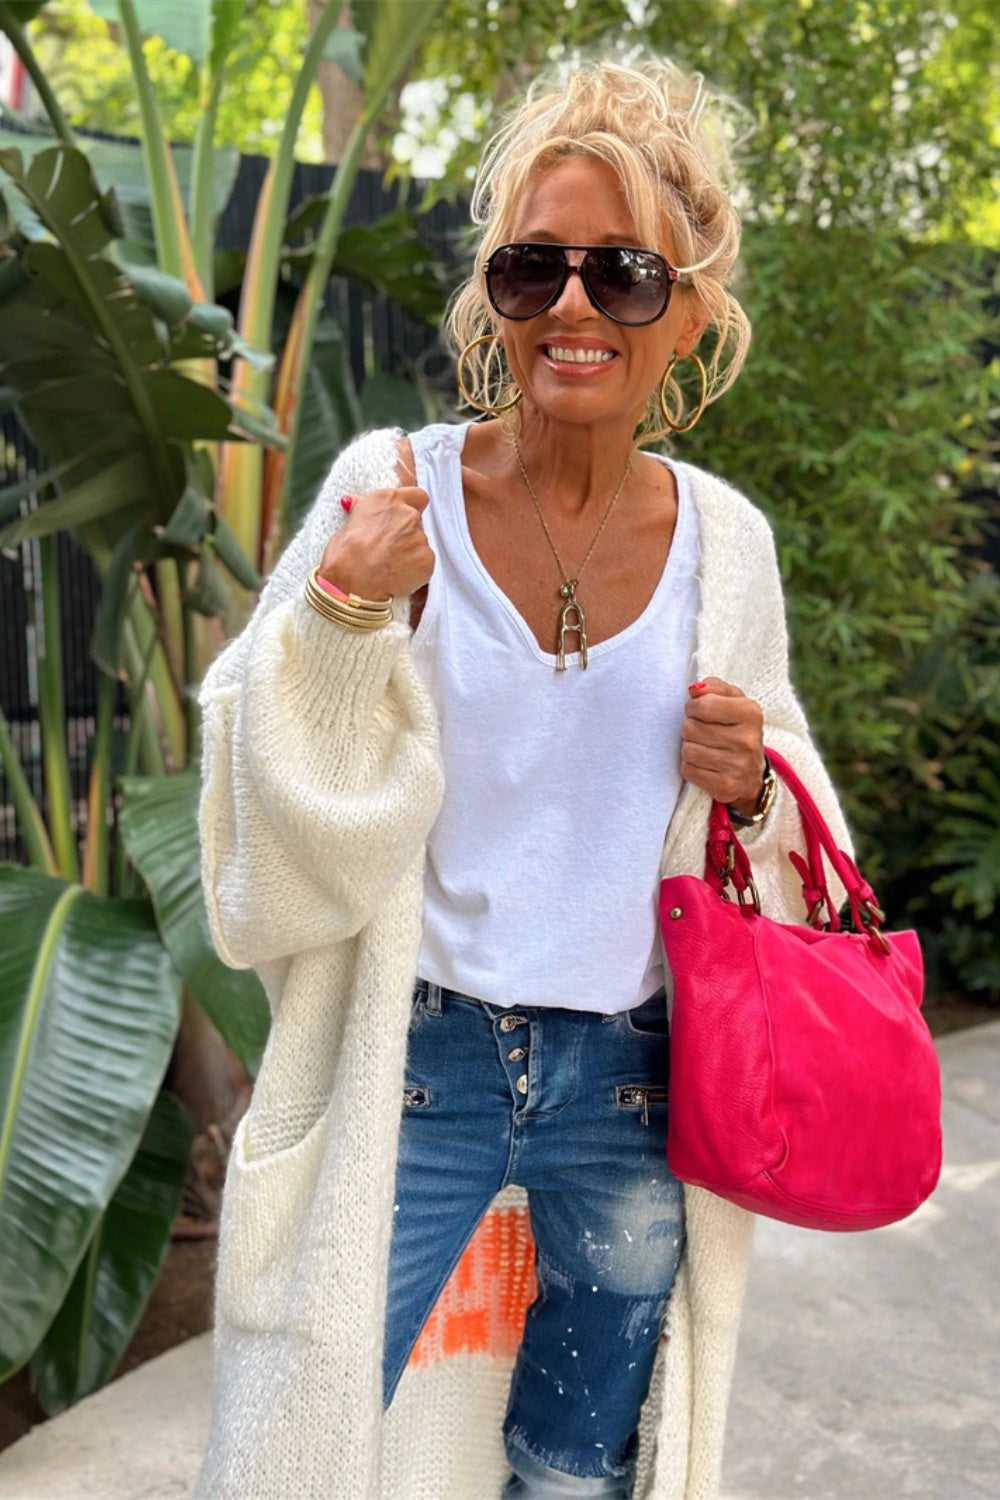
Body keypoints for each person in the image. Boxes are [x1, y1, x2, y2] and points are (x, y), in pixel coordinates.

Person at [194, 56, 852, 1500]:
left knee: (575, 1471)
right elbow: (257, 807)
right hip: (415, 1060)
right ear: (493, 296)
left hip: (626, 1086)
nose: (572, 304)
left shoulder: (727, 546)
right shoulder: (394, 489)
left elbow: (791, 825)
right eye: (533, 266)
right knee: (300, 1437)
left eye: (624, 273)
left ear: (689, 311)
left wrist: (750, 788)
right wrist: (342, 618)